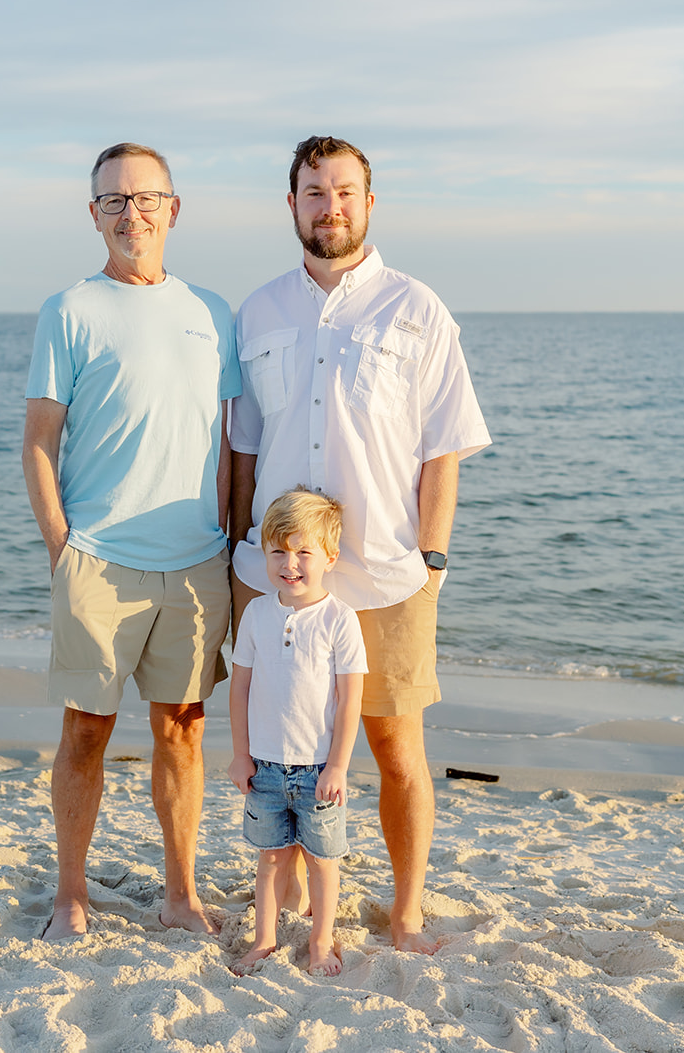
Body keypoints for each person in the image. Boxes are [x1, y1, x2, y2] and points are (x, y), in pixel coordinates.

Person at [229, 135, 491, 955]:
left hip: (385, 572)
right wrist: (238, 547)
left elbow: (441, 450)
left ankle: (407, 913)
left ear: (369, 203)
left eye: (344, 191)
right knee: (285, 745)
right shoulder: (260, 310)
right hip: (273, 576)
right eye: (314, 192)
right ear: (292, 204)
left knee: (394, 747)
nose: (330, 206)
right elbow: (242, 446)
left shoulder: (417, 309)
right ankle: (303, 900)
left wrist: (434, 562)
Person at [23, 142, 241, 940]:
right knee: (87, 728)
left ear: (173, 210)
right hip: (98, 561)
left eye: (145, 198)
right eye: (112, 201)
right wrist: (61, 548)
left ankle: (180, 894)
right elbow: (39, 441)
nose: (130, 214)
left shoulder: (211, 312)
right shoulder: (70, 310)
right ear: (93, 215)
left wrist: (231, 541)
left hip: (195, 563)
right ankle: (71, 892)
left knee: (182, 726)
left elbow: (228, 442)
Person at [227, 488, 366, 975]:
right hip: (264, 766)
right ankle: (264, 941)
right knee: (271, 860)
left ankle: (321, 941)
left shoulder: (340, 620)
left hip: (318, 772)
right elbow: (239, 688)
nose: (291, 563)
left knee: (324, 862)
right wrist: (241, 755)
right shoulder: (257, 614)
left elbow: (350, 700)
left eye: (304, 551)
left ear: (329, 556)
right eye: (279, 551)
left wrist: (339, 766)